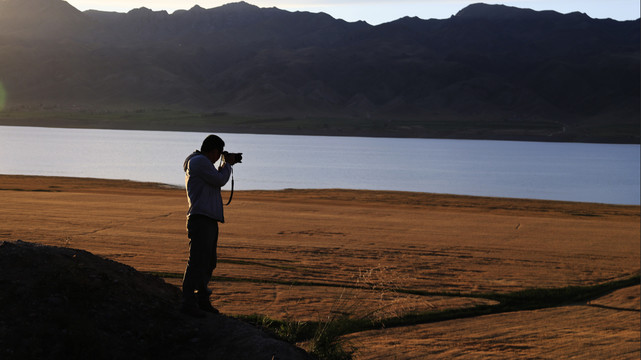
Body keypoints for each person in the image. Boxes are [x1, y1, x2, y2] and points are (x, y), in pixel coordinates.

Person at [181, 134, 239, 317]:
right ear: (214, 151)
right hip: (201, 219)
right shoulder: (199, 161)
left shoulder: (201, 163)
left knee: (208, 261)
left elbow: (216, 178)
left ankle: (201, 300)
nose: (218, 157)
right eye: (219, 153)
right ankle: (189, 302)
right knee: (198, 261)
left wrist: (224, 164)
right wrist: (227, 164)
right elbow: (220, 180)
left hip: (208, 219)